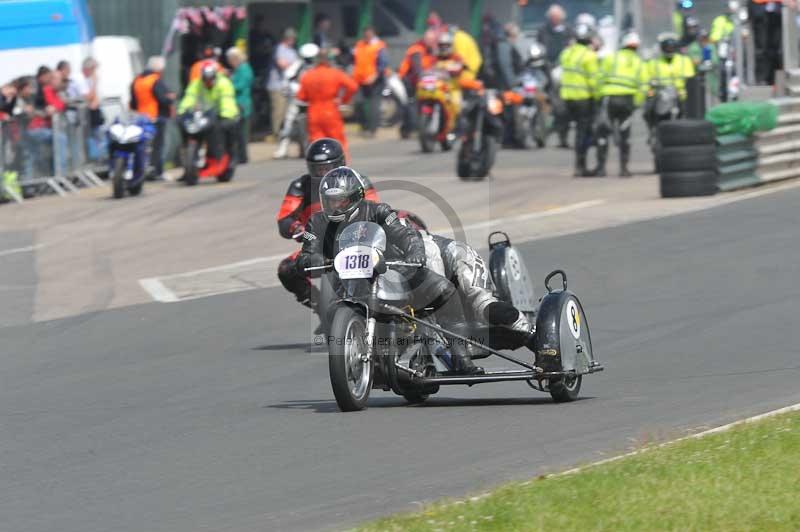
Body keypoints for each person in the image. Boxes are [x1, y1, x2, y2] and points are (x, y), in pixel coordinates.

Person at [298, 166, 535, 374]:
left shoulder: (380, 212)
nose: (335, 206)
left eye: (340, 200)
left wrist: (414, 253)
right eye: (330, 201)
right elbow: (307, 252)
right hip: (360, 278)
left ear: (355, 197)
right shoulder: (316, 223)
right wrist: (313, 260)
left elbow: (406, 235)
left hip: (414, 265)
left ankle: (464, 352)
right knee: (333, 311)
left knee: (454, 293)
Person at [276, 138, 379, 330]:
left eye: (327, 167)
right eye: (317, 168)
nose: (322, 173)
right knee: (287, 269)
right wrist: (298, 229)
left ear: (340, 163)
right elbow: (285, 218)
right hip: (317, 243)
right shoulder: (300, 186)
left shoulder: (358, 181)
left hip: (356, 241)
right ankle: (318, 306)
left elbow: (373, 208)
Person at [596, 31, 646, 177]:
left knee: (603, 133)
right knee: (625, 134)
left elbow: (599, 78)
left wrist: (599, 98)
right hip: (627, 101)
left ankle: (601, 168)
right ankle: (624, 169)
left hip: (609, 99)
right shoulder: (639, 62)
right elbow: (642, 86)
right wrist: (636, 104)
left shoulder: (611, 58)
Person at [177, 63, 240, 178]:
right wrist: (182, 111)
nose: (208, 82)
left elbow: (227, 101)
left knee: (224, 128)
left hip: (223, 114)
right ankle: (189, 167)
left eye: (210, 79)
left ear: (215, 77)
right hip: (205, 115)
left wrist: (225, 114)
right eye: (205, 79)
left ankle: (227, 159)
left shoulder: (224, 84)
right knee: (187, 130)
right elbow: (189, 97)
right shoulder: (197, 84)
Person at [296, 46, 358, 158]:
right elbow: (353, 86)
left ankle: (319, 169)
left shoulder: (308, 75)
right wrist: (344, 100)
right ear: (329, 60)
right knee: (338, 141)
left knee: (317, 144)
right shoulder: (335, 73)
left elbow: (301, 96)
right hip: (330, 110)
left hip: (314, 112)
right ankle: (341, 168)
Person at [559, 23, 599, 177]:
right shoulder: (589, 56)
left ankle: (579, 164)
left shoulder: (566, 53)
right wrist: (598, 98)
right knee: (584, 132)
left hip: (567, 98)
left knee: (577, 131)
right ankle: (580, 165)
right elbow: (593, 80)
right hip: (583, 99)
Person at [130, 56, 174, 180]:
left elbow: (133, 102)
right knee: (158, 146)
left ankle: (140, 171)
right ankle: (158, 171)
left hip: (140, 118)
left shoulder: (137, 80)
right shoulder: (155, 80)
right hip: (157, 117)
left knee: (142, 146)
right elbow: (162, 99)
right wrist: (170, 98)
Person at [397, 29, 438, 136]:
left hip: (421, 80)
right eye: (430, 40)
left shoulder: (430, 50)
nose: (432, 42)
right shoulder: (417, 50)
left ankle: (412, 127)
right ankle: (410, 128)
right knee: (413, 104)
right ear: (425, 40)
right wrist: (423, 80)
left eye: (433, 40)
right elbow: (417, 69)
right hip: (409, 79)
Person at [643, 33, 696, 114]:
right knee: (648, 105)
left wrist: (682, 87)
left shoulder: (685, 60)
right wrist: (651, 85)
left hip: (680, 93)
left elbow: (690, 78)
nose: (669, 49)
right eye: (667, 47)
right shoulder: (654, 62)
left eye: (671, 47)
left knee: (689, 108)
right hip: (659, 92)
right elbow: (647, 79)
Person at [352, 26, 387, 137]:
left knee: (373, 106)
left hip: (375, 80)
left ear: (373, 34)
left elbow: (383, 63)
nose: (367, 36)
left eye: (369, 33)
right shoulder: (359, 45)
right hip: (360, 80)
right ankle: (364, 126)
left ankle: (372, 130)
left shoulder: (379, 46)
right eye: (365, 34)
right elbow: (353, 58)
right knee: (358, 103)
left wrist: (375, 76)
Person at [267, 28, 298, 138]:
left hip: (289, 86)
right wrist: (294, 66)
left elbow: (296, 65)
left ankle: (284, 134)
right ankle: (276, 134)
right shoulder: (279, 48)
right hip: (277, 85)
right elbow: (282, 64)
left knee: (287, 111)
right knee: (279, 110)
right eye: (291, 37)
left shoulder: (292, 51)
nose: (292, 40)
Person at [226, 47, 254, 164]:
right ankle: (239, 155)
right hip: (237, 104)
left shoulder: (244, 69)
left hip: (242, 104)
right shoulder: (238, 70)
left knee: (241, 133)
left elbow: (241, 85)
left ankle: (242, 157)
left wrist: (228, 84)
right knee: (237, 132)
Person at [748, 0, 784, 85]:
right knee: (761, 48)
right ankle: (762, 78)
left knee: (776, 48)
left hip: (776, 10)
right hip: (760, 9)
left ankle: (775, 78)